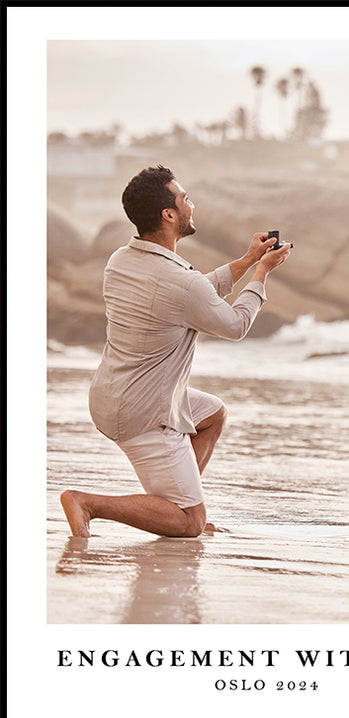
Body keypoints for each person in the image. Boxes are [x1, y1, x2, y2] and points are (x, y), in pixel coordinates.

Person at [60, 165, 291, 539]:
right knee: (190, 525)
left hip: (111, 395)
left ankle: (175, 501)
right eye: (185, 199)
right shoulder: (179, 282)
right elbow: (233, 325)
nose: (191, 205)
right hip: (144, 412)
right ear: (169, 215)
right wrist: (262, 274)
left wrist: (249, 261)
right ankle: (94, 504)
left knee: (212, 414)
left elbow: (192, 291)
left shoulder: (120, 261)